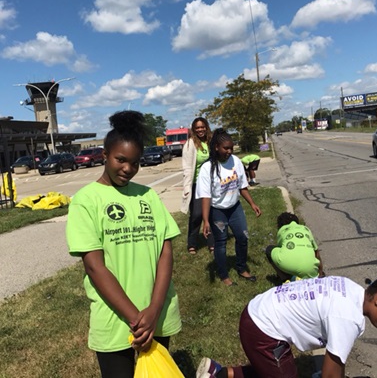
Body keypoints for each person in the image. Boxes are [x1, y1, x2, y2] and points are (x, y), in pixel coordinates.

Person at [66, 111, 182, 378]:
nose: (128, 168)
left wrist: (153, 310)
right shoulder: (86, 201)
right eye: (121, 159)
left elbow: (165, 252)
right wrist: (136, 319)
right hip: (115, 321)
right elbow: (95, 268)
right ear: (104, 155)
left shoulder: (148, 196)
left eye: (135, 162)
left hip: (157, 314)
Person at [196, 275, 377, 378]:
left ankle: (219, 373)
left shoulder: (351, 289)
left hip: (258, 313)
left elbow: (337, 362)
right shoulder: (348, 317)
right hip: (263, 329)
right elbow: (330, 374)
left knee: (278, 371)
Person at [196, 128, 262, 286]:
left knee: (243, 237)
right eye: (226, 148)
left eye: (231, 148)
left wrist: (252, 204)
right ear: (216, 147)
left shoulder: (236, 161)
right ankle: (224, 275)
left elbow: (242, 186)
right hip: (217, 210)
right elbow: (206, 196)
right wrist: (206, 220)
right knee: (221, 243)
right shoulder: (207, 168)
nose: (229, 151)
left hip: (235, 207)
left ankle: (241, 268)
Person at [181, 117, 214, 255]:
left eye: (202, 127)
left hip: (211, 183)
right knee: (196, 214)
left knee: (212, 213)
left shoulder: (212, 141)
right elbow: (187, 167)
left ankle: (212, 242)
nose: (200, 130)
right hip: (195, 183)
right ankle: (192, 243)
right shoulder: (190, 144)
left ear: (206, 127)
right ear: (194, 130)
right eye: (197, 128)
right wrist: (187, 187)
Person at [265, 212, 324, 282]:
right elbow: (317, 253)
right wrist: (320, 272)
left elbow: (281, 248)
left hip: (289, 265)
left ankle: (285, 279)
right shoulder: (306, 229)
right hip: (310, 270)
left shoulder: (282, 231)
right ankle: (306, 278)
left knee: (269, 249)